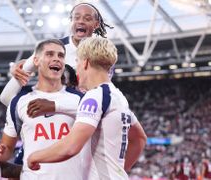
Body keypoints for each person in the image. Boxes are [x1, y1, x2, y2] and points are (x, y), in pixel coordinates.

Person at [27, 37, 147, 179]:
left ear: (85, 62)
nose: (76, 67)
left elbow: (70, 147)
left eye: (77, 62)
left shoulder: (95, 96)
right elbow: (140, 138)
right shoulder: (118, 97)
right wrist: (118, 172)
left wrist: (34, 156)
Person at [0, 39, 87, 180]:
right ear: (36, 61)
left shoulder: (81, 100)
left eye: (60, 56)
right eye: (49, 54)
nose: (56, 59)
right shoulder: (19, 101)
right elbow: (7, 149)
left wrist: (55, 106)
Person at [0, 2, 111, 106]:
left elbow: (99, 102)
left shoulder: (103, 55)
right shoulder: (51, 50)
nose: (80, 21)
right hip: (54, 119)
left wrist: (56, 107)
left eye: (87, 18)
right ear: (71, 21)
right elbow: (6, 98)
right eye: (76, 17)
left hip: (85, 119)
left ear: (96, 24)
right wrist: (30, 110)